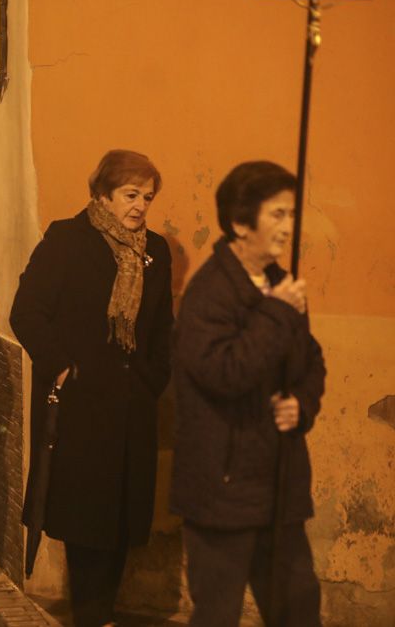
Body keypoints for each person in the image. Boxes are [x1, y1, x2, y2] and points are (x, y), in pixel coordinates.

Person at [10, 150, 173, 627]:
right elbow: (28, 311)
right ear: (102, 193)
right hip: (82, 406)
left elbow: (163, 326)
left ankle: (102, 612)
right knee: (86, 518)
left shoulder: (154, 251)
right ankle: (92, 615)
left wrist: (152, 378)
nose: (140, 206)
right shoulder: (68, 239)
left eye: (147, 196)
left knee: (121, 516)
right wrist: (61, 367)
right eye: (130, 195)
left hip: (131, 406)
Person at [171, 161, 325, 627]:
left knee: (297, 608)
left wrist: (302, 405)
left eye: (292, 214)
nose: (288, 227)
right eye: (277, 214)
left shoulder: (280, 284)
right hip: (224, 489)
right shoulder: (209, 295)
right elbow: (224, 373)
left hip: (278, 483)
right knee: (218, 613)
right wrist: (277, 315)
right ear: (241, 223)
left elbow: (311, 361)